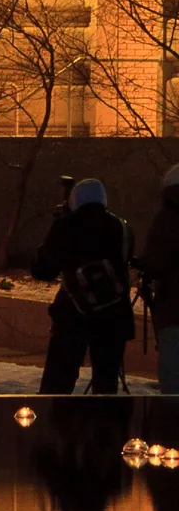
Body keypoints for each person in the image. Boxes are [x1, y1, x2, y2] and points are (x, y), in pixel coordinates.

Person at [32, 175, 136, 394]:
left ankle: (56, 424)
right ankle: (105, 425)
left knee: (58, 381)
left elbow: (44, 270)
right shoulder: (121, 227)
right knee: (106, 383)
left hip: (72, 314)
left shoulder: (65, 226)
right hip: (113, 314)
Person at [137, 161, 179, 396]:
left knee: (173, 369)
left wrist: (145, 266)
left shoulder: (167, 220)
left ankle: (173, 423)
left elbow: (156, 260)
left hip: (173, 307)